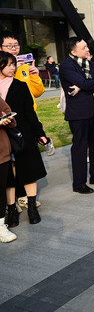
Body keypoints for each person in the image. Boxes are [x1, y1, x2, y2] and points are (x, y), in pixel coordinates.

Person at [0, 52, 49, 227]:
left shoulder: (20, 85)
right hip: (2, 136)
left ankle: (32, 207)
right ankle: (11, 209)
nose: (13, 68)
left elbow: (30, 112)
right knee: (8, 175)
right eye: (8, 64)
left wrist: (39, 133)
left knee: (28, 170)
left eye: (14, 64)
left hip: (23, 132)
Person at [59, 37, 94, 194]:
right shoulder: (67, 65)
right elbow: (88, 83)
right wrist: (85, 84)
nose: (88, 50)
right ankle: (79, 183)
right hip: (79, 113)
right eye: (84, 48)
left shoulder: (89, 62)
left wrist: (84, 85)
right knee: (80, 148)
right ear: (73, 51)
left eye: (87, 46)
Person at [0, 96, 17, 242]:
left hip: (1, 154)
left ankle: (0, 227)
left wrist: (7, 120)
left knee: (0, 191)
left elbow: (10, 117)